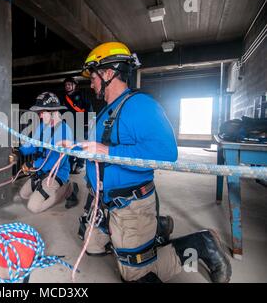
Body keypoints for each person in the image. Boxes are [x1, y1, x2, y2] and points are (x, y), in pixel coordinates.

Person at [75, 42, 231, 283]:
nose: (91, 82)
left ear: (108, 73)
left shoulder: (139, 106)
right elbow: (98, 148)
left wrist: (107, 150)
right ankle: (155, 228)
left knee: (134, 275)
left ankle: (200, 244)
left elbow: (166, 152)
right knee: (92, 246)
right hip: (104, 202)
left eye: (93, 76)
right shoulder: (107, 110)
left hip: (128, 202)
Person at [18, 92, 78, 213]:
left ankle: (68, 188)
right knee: (23, 195)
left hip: (56, 172)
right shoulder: (42, 126)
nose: (40, 116)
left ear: (53, 112)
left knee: (33, 207)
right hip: (41, 170)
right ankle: (43, 187)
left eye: (42, 113)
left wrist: (33, 165)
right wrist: (19, 151)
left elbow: (56, 160)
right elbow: (33, 144)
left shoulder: (64, 131)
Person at [62, 77, 93, 174]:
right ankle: (71, 164)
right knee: (69, 144)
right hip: (69, 124)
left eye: (69, 84)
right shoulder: (64, 98)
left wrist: (89, 121)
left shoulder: (81, 95)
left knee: (80, 144)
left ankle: (80, 165)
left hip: (80, 122)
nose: (67, 86)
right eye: (66, 85)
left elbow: (89, 107)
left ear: (74, 86)